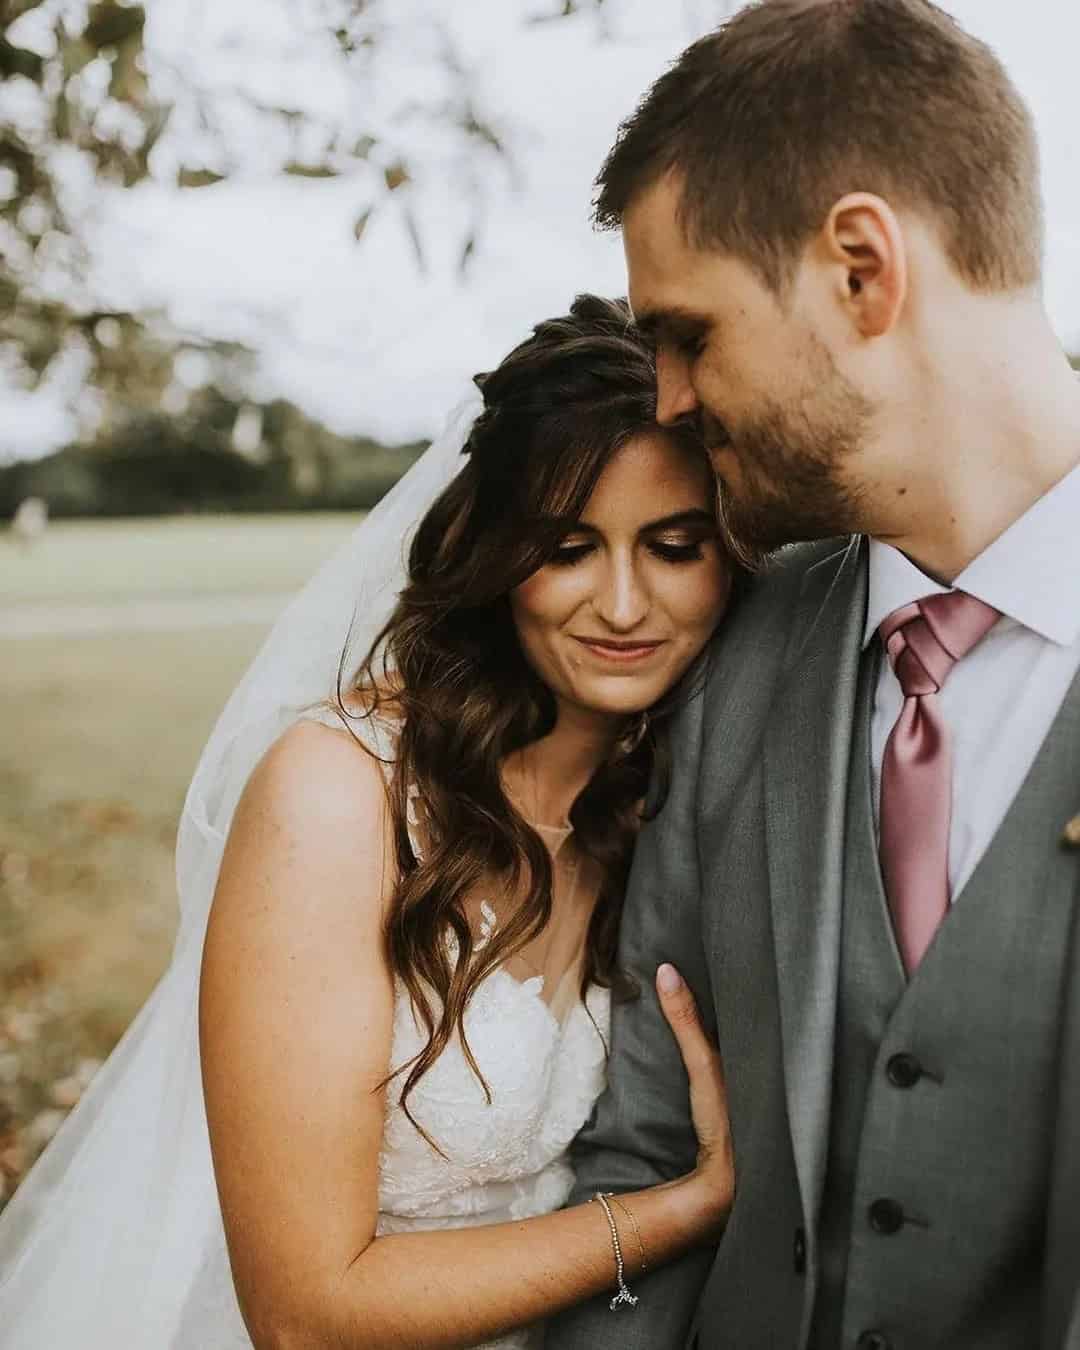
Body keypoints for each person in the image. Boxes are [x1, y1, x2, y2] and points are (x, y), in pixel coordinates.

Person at [0, 295, 735, 1348]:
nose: (623, 606)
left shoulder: (665, 796)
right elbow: (304, 1314)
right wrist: (685, 1208)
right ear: (493, 557)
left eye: (673, 547)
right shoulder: (337, 796)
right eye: (569, 549)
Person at [547, 4, 1080, 1349]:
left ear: (861, 268)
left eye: (688, 332)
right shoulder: (738, 654)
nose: (665, 397)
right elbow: (648, 1149)